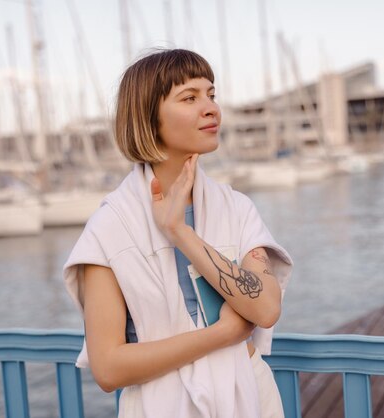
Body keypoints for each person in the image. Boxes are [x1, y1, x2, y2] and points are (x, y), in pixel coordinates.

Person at [63, 49, 293, 418]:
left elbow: (265, 309)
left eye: (211, 94)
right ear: (148, 119)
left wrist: (179, 232)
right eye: (190, 97)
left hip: (251, 394)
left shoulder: (236, 207)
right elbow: (108, 369)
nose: (211, 108)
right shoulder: (110, 227)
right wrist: (220, 335)